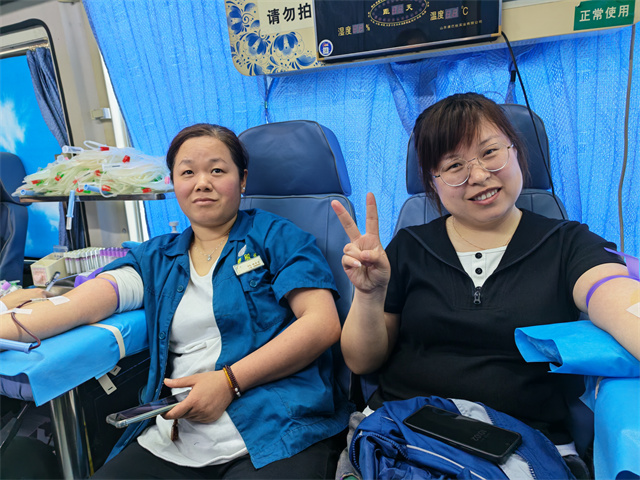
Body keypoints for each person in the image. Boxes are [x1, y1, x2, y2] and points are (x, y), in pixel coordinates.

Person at [1, 124, 351, 479]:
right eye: (188, 172)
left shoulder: (279, 237)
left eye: (217, 170)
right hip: (178, 434)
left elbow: (321, 324)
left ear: (242, 180)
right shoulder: (156, 257)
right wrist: (14, 316)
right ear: (174, 183)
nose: (202, 182)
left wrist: (229, 381)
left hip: (277, 427)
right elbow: (77, 306)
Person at [331, 93, 639, 476]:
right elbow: (362, 362)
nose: (477, 176)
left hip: (524, 443)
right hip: (398, 436)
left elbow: (618, 298)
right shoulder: (409, 247)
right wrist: (369, 294)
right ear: (433, 182)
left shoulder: (568, 244)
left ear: (516, 151)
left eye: (490, 153)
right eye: (454, 166)